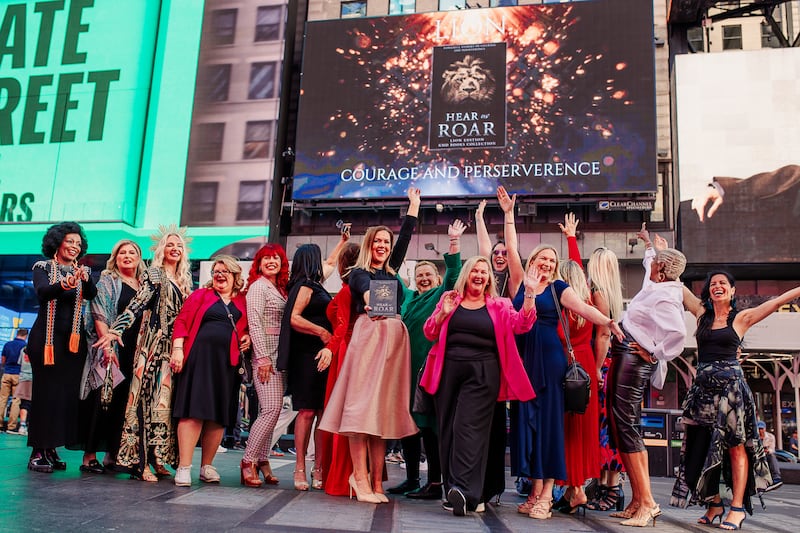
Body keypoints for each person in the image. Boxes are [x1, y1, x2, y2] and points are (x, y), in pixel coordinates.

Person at [505, 204, 623, 520]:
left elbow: (586, 311)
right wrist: (508, 215)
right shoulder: (521, 283)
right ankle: (533, 491)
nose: (546, 262)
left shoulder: (559, 287)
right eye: (542, 258)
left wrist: (608, 322)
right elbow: (512, 249)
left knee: (547, 429)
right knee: (525, 428)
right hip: (524, 364)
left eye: (552, 260)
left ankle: (545, 495)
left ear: (556, 266)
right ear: (533, 262)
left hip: (550, 363)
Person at [319, 187, 421, 504]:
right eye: (377, 242)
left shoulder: (391, 270)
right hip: (370, 340)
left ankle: (377, 483)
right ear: (368, 245)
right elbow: (365, 290)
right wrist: (373, 303)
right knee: (360, 412)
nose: (382, 246)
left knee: (381, 416)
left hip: (392, 346)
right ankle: (358, 477)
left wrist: (414, 206)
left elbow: (403, 240)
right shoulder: (359, 273)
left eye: (386, 243)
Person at [678, 272, 799, 529]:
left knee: (735, 447)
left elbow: (776, 302)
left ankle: (736, 508)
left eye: (723, 283)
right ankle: (714, 504)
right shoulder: (702, 315)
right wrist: (653, 252)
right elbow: (677, 286)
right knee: (696, 452)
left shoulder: (741, 318)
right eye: (713, 284)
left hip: (731, 393)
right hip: (703, 392)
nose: (717, 286)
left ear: (732, 290)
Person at [420, 256, 538, 516]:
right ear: (466, 274)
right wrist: (442, 313)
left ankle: (466, 491)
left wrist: (529, 294)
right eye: (475, 270)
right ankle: (454, 494)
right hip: (448, 369)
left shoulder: (500, 305)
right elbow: (429, 332)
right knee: (448, 429)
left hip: (483, 373)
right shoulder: (450, 299)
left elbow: (523, 324)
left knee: (467, 428)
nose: (479, 274)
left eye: (484, 272)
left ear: (488, 279)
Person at [95, 225, 193, 481]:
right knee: (146, 401)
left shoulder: (185, 281)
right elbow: (137, 304)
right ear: (162, 249)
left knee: (166, 405)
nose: (174, 249)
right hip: (154, 347)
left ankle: (159, 458)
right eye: (170, 244)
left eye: (179, 246)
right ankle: (142, 464)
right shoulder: (155, 274)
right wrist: (116, 329)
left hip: (176, 349)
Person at [605, 228, 686, 527]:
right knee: (621, 424)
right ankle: (638, 500)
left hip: (634, 359)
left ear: (662, 270)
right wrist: (651, 245)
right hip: (626, 353)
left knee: (627, 426)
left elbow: (678, 333)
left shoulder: (665, 296)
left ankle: (648, 503)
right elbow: (649, 263)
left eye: (655, 263)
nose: (649, 265)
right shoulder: (657, 285)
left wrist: (654, 352)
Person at [387, 219, 466, 500]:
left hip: (430, 370)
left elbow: (455, 273)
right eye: (418, 274)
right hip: (404, 371)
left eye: (428, 274)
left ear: (436, 277)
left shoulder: (440, 294)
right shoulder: (407, 298)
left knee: (430, 425)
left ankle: (434, 482)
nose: (423, 278)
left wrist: (454, 242)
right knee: (407, 424)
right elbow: (389, 272)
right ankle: (410, 479)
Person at [170, 255, 250, 486]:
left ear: (236, 276)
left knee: (218, 415)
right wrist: (178, 349)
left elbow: (247, 328)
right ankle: (184, 467)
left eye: (225, 271)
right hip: (199, 360)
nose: (220, 274)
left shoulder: (243, 301)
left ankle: (207, 466)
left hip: (227, 364)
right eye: (216, 271)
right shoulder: (200, 295)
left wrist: (246, 338)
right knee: (192, 411)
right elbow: (182, 322)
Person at [277, 237, 348, 491]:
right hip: (306, 356)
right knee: (307, 411)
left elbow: (330, 262)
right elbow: (295, 319)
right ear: (311, 261)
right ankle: (299, 468)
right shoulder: (305, 286)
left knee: (320, 412)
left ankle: (318, 467)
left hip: (321, 356)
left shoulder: (314, 284)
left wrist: (342, 242)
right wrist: (321, 332)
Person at [27, 222, 97, 472]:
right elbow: (43, 292)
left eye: (78, 244)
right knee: (45, 395)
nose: (74, 247)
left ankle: (52, 447)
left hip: (72, 342)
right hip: (46, 340)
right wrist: (65, 284)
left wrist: (85, 279)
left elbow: (91, 294)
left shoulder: (81, 271)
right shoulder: (43, 267)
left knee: (64, 397)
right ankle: (37, 450)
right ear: (57, 243)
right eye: (70, 241)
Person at [74, 240, 145, 474]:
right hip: (109, 349)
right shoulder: (108, 281)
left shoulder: (144, 286)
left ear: (139, 257)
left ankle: (112, 455)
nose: (127, 256)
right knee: (101, 402)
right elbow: (99, 313)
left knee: (123, 404)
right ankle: (89, 456)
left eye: (131, 252)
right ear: (115, 258)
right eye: (122, 253)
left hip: (134, 351)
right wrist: (108, 347)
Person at [552, 213, 601, 513]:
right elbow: (576, 269)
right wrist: (571, 238)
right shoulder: (588, 304)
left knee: (567, 429)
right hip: (585, 367)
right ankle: (577, 488)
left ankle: (575, 489)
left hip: (565, 369)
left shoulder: (561, 304)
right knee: (582, 429)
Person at [240, 243, 289, 488]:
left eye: (276, 258)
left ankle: (262, 459)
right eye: (266, 258)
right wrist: (263, 358)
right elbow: (255, 324)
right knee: (270, 409)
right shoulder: (258, 287)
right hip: (266, 358)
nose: (271, 261)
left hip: (279, 357)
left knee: (271, 411)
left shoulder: (280, 289)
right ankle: (247, 461)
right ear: (258, 263)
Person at [583, 246, 626, 512]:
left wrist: (596, 369)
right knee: (607, 428)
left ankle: (611, 486)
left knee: (604, 430)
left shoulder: (598, 293)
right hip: (612, 368)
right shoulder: (612, 294)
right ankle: (607, 485)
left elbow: (602, 336)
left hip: (603, 367)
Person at [317, 242, 360, 497]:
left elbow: (342, 326)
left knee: (341, 414)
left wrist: (331, 348)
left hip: (345, 352)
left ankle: (342, 476)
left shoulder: (347, 291)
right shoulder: (354, 289)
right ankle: (351, 474)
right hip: (349, 350)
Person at [1, 328, 28, 433]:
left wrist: (6, 366)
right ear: (26, 335)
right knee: (16, 401)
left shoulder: (7, 344)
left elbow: (3, 360)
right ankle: (11, 426)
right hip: (18, 375)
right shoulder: (25, 346)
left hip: (7, 373)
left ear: (17, 334)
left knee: (3, 399)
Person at [11, 347, 32, 436]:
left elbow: (19, 363)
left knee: (24, 403)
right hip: (35, 379)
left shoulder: (23, 349)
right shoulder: (40, 348)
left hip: (23, 378)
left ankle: (22, 426)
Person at [758, 421, 783, 490]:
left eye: (762, 429)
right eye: (759, 429)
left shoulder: (770, 436)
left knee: (772, 456)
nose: (760, 431)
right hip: (757, 455)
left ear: (765, 429)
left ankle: (776, 477)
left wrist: (767, 450)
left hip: (767, 454)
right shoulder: (755, 437)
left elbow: (772, 449)